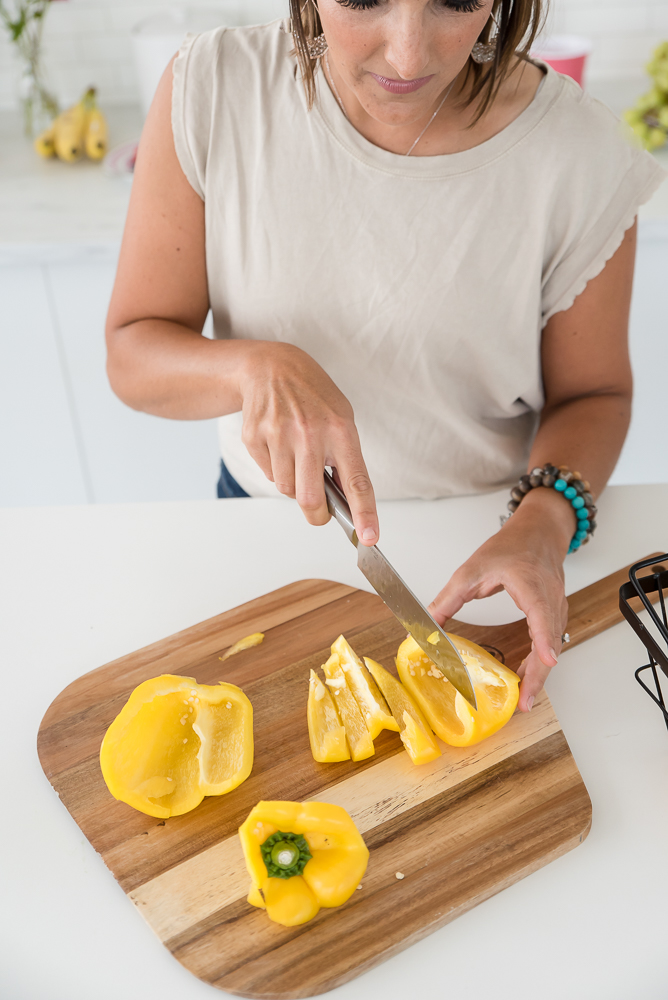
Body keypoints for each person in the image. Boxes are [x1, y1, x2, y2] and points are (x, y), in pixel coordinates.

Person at [105, 0, 666, 713]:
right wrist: (252, 367)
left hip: (488, 550)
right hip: (261, 534)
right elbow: (133, 349)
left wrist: (543, 525)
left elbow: (595, 397)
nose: (407, 56)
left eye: (456, 2)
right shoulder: (213, 88)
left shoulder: (583, 157)